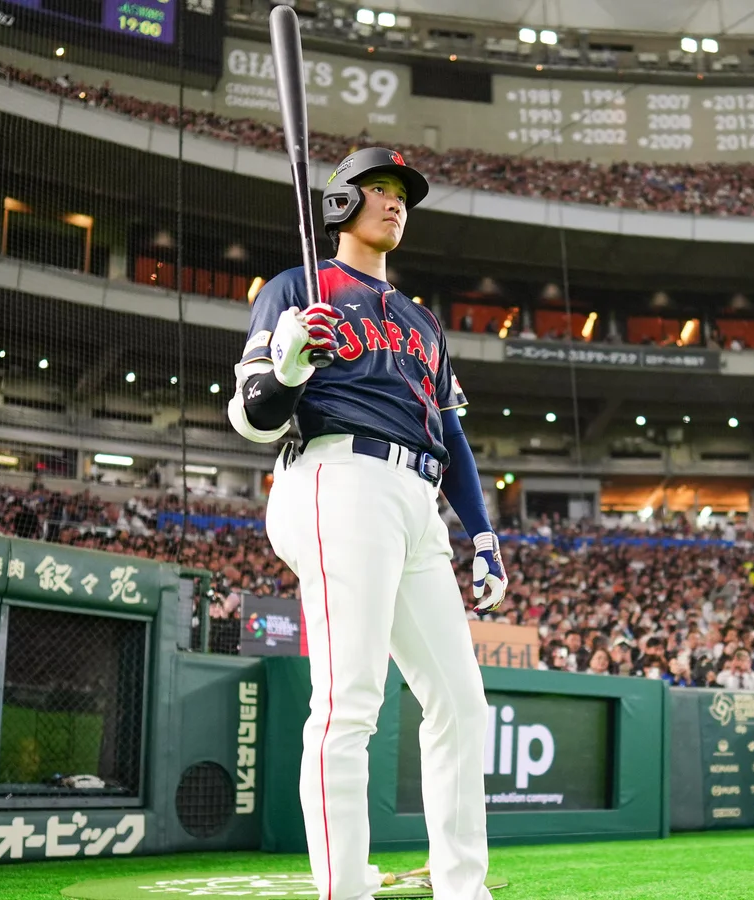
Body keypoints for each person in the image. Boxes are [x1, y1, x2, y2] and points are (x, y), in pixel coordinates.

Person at [227, 147, 501, 900]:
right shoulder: (295, 287)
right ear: (342, 203)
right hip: (336, 474)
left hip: (417, 498)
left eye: (402, 195)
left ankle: (462, 888)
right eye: (379, 189)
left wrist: (482, 534)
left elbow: (452, 434)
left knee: (461, 704)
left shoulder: (423, 321)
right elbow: (251, 419)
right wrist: (289, 366)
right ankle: (344, 890)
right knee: (351, 701)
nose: (395, 203)